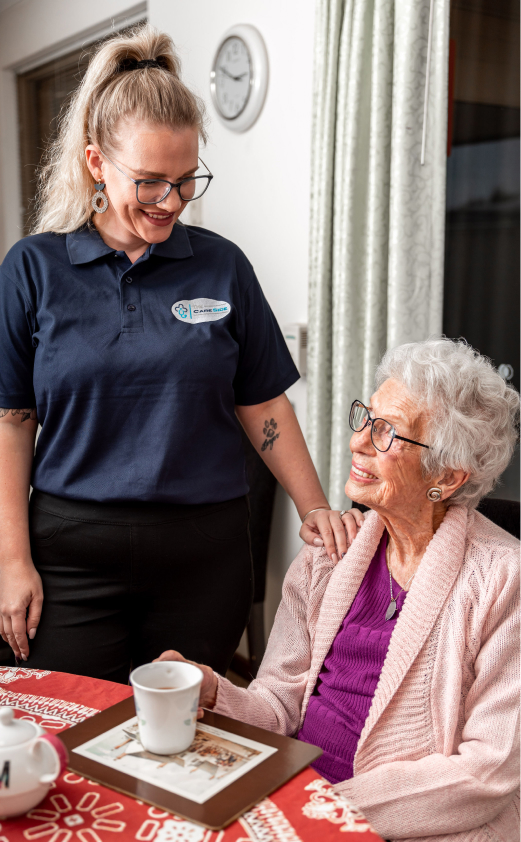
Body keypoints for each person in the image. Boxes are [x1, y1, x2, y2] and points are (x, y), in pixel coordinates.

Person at [0, 24, 361, 682]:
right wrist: (10, 560)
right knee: (72, 741)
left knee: (184, 747)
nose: (169, 202)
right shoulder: (33, 268)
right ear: (95, 166)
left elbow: (262, 402)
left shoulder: (222, 267)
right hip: (70, 556)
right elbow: (13, 421)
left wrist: (315, 508)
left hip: (205, 560)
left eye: (186, 179)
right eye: (148, 182)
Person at [159, 338, 521, 842]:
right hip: (294, 799)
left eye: (387, 432)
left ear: (446, 477)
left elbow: (487, 771)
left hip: (422, 834)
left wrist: (323, 806)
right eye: (365, 418)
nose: (357, 442)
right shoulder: (331, 555)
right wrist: (216, 693)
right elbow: (279, 705)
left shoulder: (503, 579)